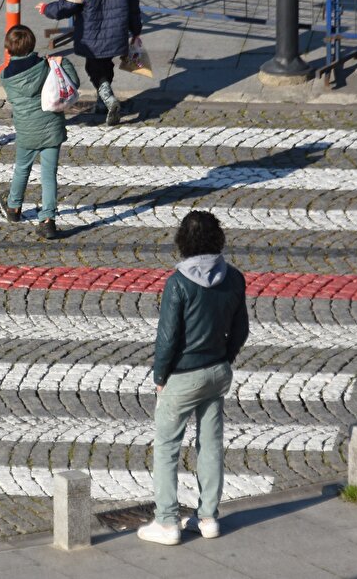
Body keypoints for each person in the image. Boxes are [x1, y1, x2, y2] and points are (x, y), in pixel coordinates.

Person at [138, 210, 249, 546]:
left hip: (183, 375)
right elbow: (242, 329)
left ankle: (167, 522)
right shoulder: (233, 278)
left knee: (167, 447)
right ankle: (208, 517)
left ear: (182, 241)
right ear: (218, 239)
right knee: (211, 444)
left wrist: (160, 374)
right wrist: (224, 358)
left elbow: (168, 337)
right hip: (217, 371)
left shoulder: (179, 283)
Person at [37, 0, 141, 125]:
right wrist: (136, 29)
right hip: (116, 32)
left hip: (91, 35)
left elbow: (68, 6)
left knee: (94, 68)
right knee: (106, 65)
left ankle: (108, 99)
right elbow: (133, 4)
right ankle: (102, 103)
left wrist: (47, 9)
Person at [0, 24, 78, 240]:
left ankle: (14, 207)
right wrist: (63, 62)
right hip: (51, 127)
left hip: (26, 130)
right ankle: (48, 220)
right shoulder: (46, 66)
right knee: (49, 175)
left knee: (22, 168)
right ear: (32, 44)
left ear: (9, 49)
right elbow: (73, 83)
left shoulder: (5, 75)